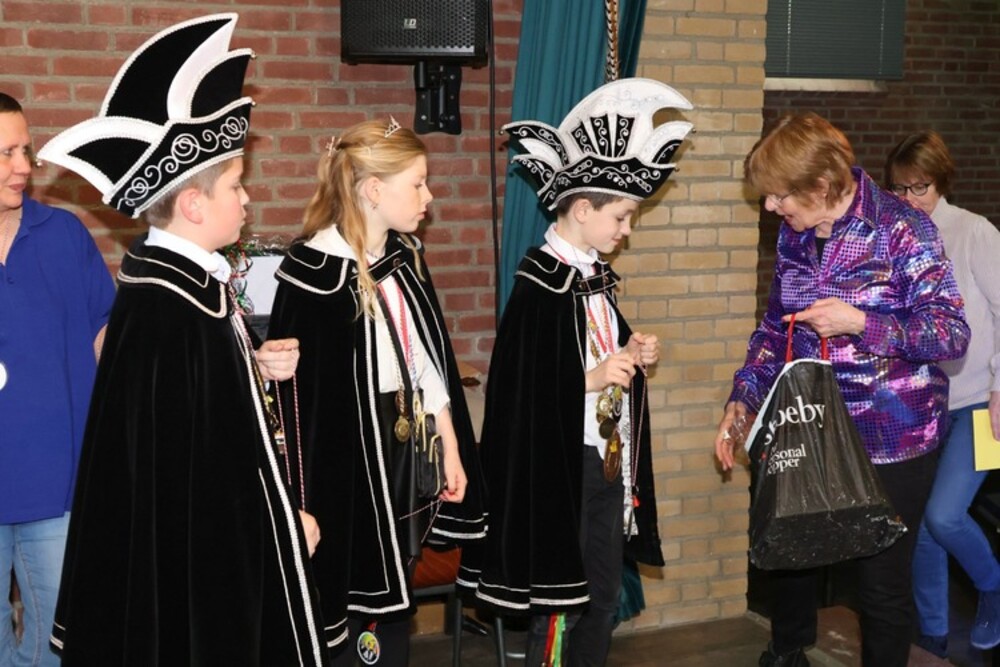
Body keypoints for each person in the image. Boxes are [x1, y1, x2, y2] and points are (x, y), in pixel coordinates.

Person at [36, 14, 326, 666]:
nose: (246, 199)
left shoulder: (172, 288)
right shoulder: (176, 308)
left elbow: (199, 425)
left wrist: (252, 367)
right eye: (235, 185)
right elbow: (212, 482)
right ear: (193, 205)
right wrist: (283, 525)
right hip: (202, 578)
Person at [714, 112, 970, 667]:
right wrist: (744, 396)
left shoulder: (903, 229)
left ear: (821, 185)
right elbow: (775, 328)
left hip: (893, 438)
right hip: (811, 426)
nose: (770, 206)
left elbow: (950, 334)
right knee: (792, 555)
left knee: (880, 587)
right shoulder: (796, 233)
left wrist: (861, 323)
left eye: (780, 194)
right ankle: (787, 653)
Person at [460, 78, 693, 666]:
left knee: (603, 594)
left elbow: (590, 347)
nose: (627, 229)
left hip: (606, 456)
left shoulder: (590, 274)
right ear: (583, 209)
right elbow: (517, 391)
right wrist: (592, 379)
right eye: (622, 216)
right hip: (565, 465)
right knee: (561, 597)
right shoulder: (539, 282)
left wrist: (630, 351)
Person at [266, 118, 486, 666]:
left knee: (395, 599)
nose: (428, 197)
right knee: (348, 604)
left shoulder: (404, 258)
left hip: (406, 454)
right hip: (343, 471)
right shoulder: (313, 273)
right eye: (417, 183)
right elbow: (297, 411)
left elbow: (427, 360)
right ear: (372, 190)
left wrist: (451, 443)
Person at [0, 92, 115, 667]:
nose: (24, 166)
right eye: (6, 153)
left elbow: (106, 339)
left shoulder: (65, 234)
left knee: (58, 648)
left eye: (26, 150)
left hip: (58, 487)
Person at [885, 130, 1000, 657]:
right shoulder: (894, 239)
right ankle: (932, 634)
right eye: (900, 189)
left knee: (944, 516)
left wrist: (999, 389)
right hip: (922, 403)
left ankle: (993, 587)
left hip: (978, 401)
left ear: (941, 182)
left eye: (921, 187)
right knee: (923, 527)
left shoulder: (974, 232)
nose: (910, 199)